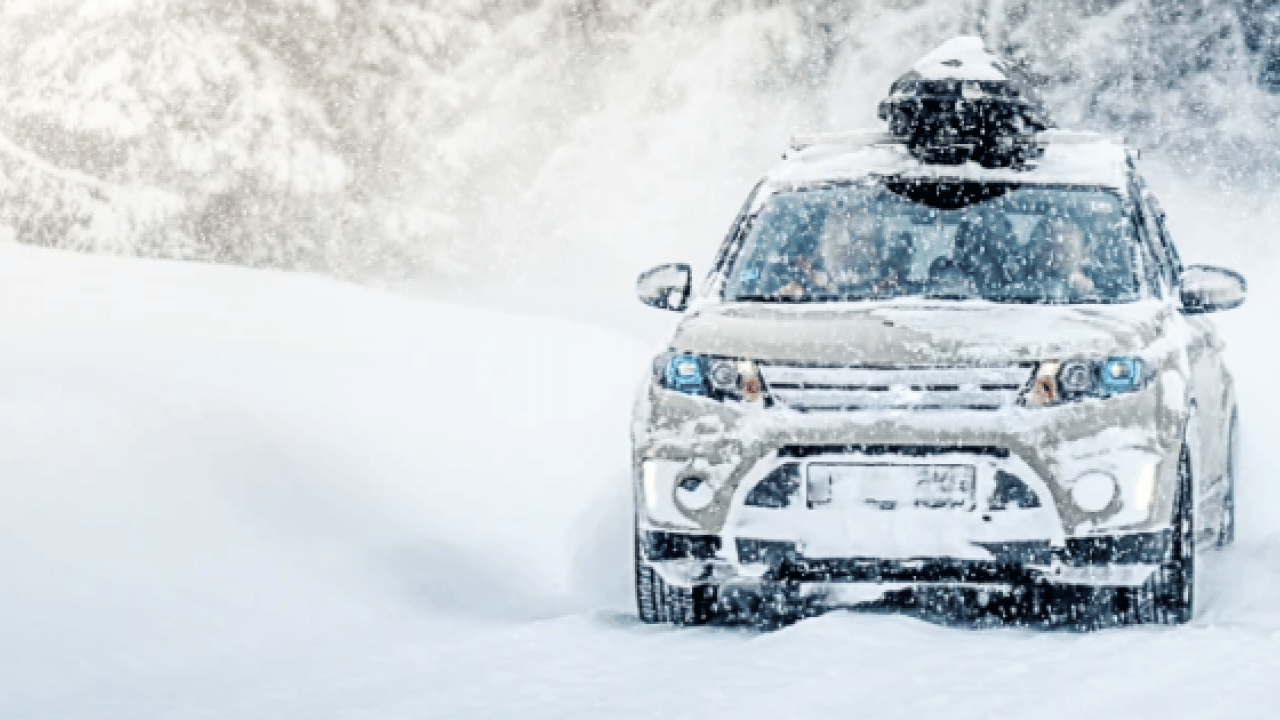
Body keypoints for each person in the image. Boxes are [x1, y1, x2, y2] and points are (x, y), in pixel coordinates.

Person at [1029, 216, 1095, 298]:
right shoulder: (1018, 293)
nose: (1056, 257)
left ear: (1085, 253)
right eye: (1047, 248)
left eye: (1066, 249)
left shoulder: (1102, 298)